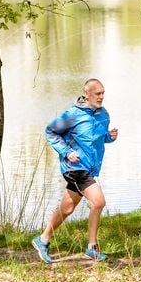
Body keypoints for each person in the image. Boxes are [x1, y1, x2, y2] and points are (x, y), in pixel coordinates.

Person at [32, 78, 118, 263]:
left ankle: (42, 239)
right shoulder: (72, 114)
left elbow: (97, 139)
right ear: (86, 94)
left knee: (68, 207)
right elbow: (51, 131)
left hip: (89, 167)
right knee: (99, 201)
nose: (101, 97)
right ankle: (91, 248)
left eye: (103, 93)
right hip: (75, 167)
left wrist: (109, 137)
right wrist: (66, 151)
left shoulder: (103, 114)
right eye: (97, 93)